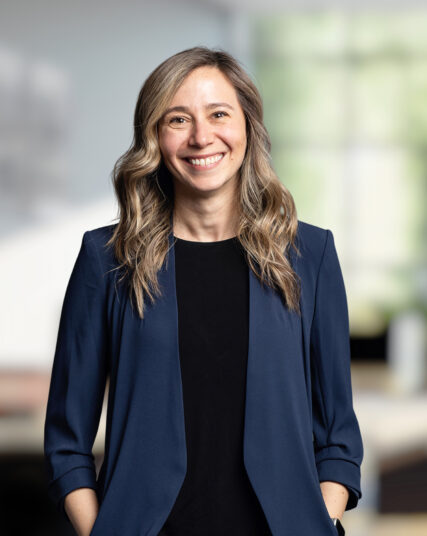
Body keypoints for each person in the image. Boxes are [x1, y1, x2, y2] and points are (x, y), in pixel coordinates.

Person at [44, 46, 363, 536]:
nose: (201, 136)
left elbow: (338, 437)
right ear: (154, 136)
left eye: (218, 114)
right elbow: (67, 442)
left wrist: (318, 517)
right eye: (177, 119)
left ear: (247, 127)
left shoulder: (310, 256)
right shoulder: (106, 261)